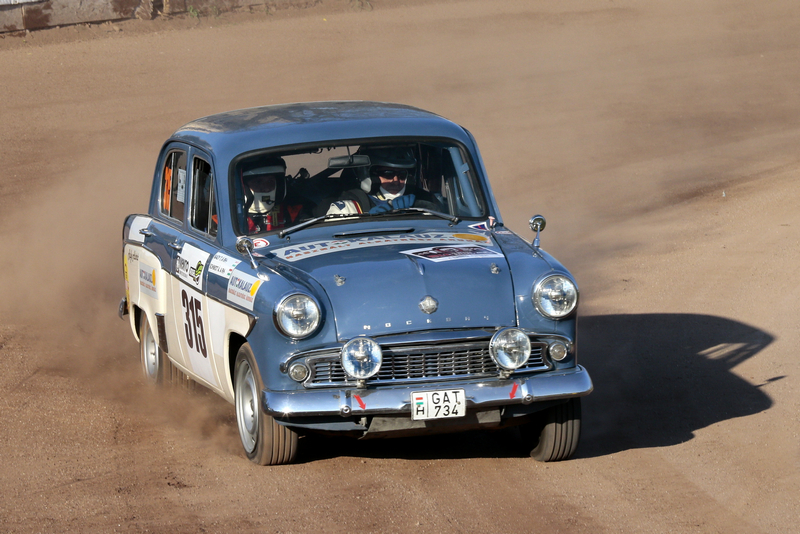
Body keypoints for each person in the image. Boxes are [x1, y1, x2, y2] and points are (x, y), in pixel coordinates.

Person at [321, 146, 442, 216]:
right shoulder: (347, 209)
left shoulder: (426, 205)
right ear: (368, 174)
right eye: (388, 174)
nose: (396, 181)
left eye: (401, 175)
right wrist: (370, 221)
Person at [241, 157, 308, 233]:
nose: (266, 188)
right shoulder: (234, 216)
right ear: (244, 186)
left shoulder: (294, 210)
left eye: (270, 181)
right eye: (258, 182)